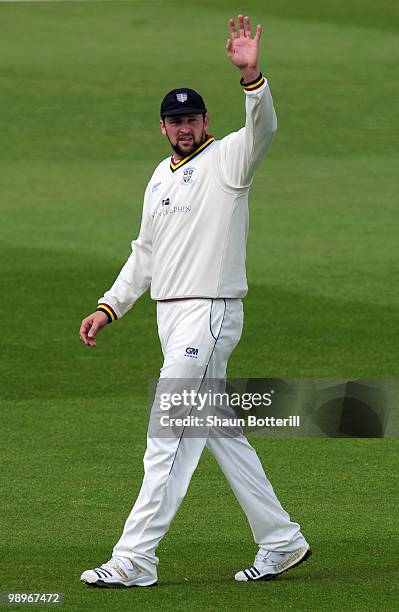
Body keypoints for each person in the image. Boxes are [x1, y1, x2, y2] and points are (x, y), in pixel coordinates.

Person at [79, 15, 311, 588]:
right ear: (163, 127)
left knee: (168, 434)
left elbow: (265, 130)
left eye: (193, 118)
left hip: (207, 315)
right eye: (175, 121)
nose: (185, 128)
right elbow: (145, 252)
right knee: (220, 435)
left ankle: (135, 558)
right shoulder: (160, 176)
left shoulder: (230, 159)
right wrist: (110, 305)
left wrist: (251, 76)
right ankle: (282, 541)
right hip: (169, 315)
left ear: (207, 120)